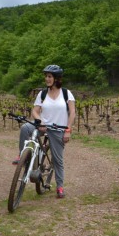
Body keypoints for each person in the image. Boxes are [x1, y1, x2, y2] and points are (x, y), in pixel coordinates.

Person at [17, 64, 76, 198]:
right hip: (43, 126)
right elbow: (35, 111)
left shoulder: (66, 93)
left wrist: (68, 130)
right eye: (46, 76)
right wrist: (40, 120)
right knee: (25, 128)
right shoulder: (42, 93)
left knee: (57, 159)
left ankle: (60, 187)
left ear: (57, 78)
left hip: (58, 129)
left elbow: (72, 112)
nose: (47, 79)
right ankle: (23, 158)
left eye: (49, 76)